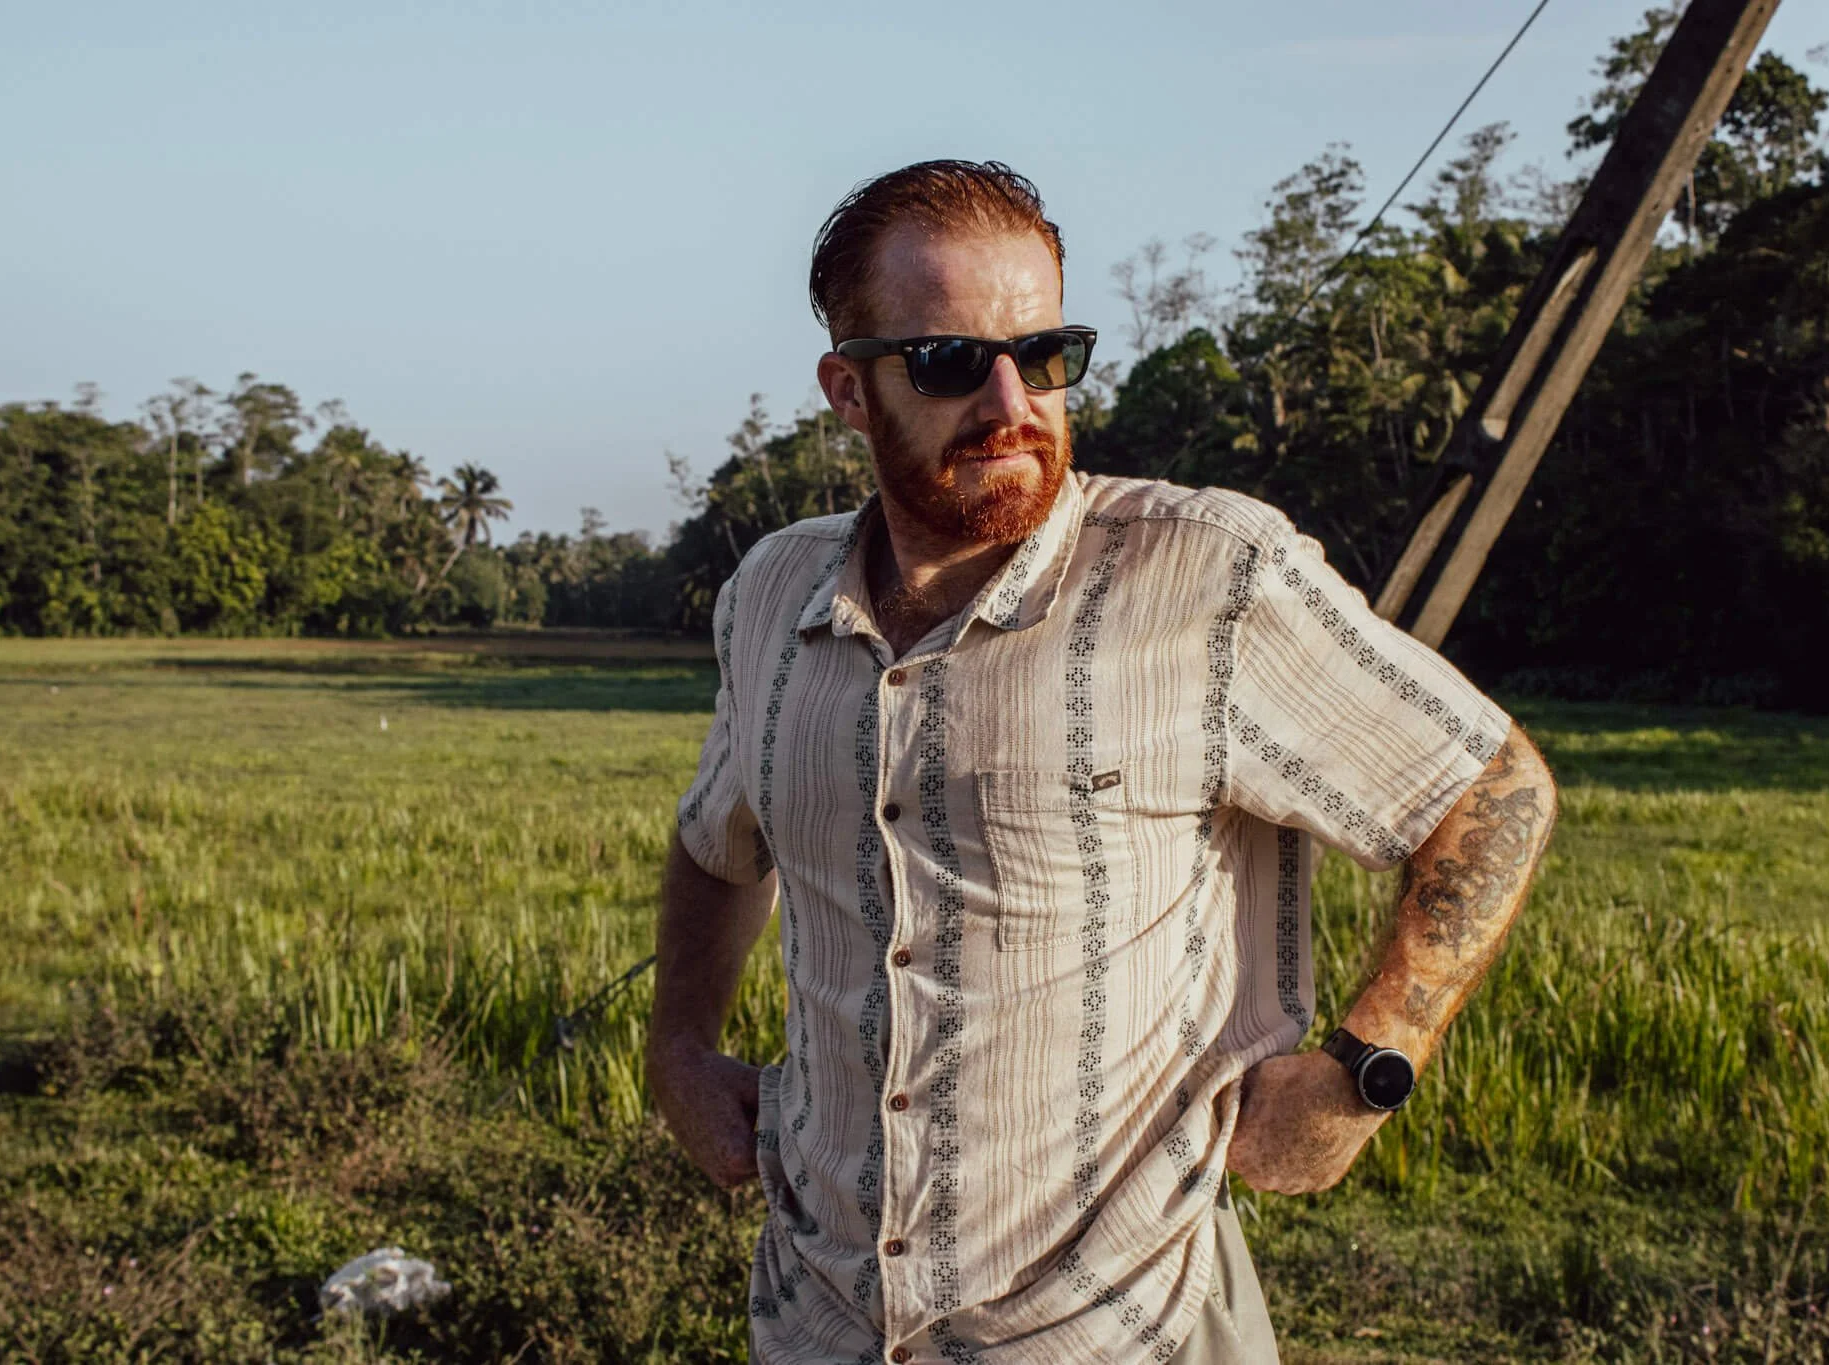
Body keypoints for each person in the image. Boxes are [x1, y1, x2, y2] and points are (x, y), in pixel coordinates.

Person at [646, 159, 1557, 1364]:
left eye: (1047, 353)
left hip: (1113, 1326)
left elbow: (1488, 790)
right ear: (849, 392)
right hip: (820, 1316)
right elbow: (717, 842)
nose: (1013, 400)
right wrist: (677, 1049)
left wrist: (1367, 1065)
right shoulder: (769, 593)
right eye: (950, 361)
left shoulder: (1204, 575)